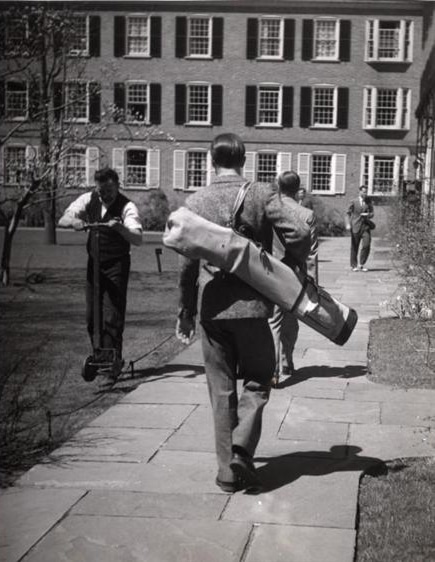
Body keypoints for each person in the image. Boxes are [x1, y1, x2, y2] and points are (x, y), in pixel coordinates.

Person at [175, 133, 310, 494]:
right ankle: (241, 449)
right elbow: (299, 230)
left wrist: (186, 308)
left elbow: (188, 265)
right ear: (244, 159)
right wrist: (284, 264)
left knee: (220, 392)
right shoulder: (260, 193)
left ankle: (227, 474)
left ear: (210, 159)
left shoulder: (196, 200)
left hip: (211, 307)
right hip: (252, 306)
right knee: (258, 378)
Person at [58, 167, 142, 367]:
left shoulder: (127, 206)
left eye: (110, 191)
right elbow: (63, 219)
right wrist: (75, 222)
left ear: (118, 187)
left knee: (112, 314)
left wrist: (120, 228)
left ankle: (113, 359)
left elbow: (137, 238)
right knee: (92, 315)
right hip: (94, 264)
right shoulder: (89, 198)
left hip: (117, 264)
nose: (105, 195)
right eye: (101, 191)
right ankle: (99, 355)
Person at [268, 171, 319, 387]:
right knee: (291, 321)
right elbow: (312, 254)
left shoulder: (269, 211)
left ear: (279, 186)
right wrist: (313, 283)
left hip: (271, 271)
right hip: (296, 274)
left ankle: (272, 370)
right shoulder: (306, 214)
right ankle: (286, 361)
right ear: (298, 188)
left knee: (274, 321)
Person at [346, 185, 374, 272]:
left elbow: (372, 213)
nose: (365, 193)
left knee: (367, 245)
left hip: (365, 226)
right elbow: (347, 213)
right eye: (363, 191)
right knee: (354, 246)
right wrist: (348, 224)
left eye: (366, 192)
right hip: (355, 226)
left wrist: (368, 215)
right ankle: (354, 265)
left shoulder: (369, 202)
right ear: (360, 192)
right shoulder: (353, 201)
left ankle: (361, 264)